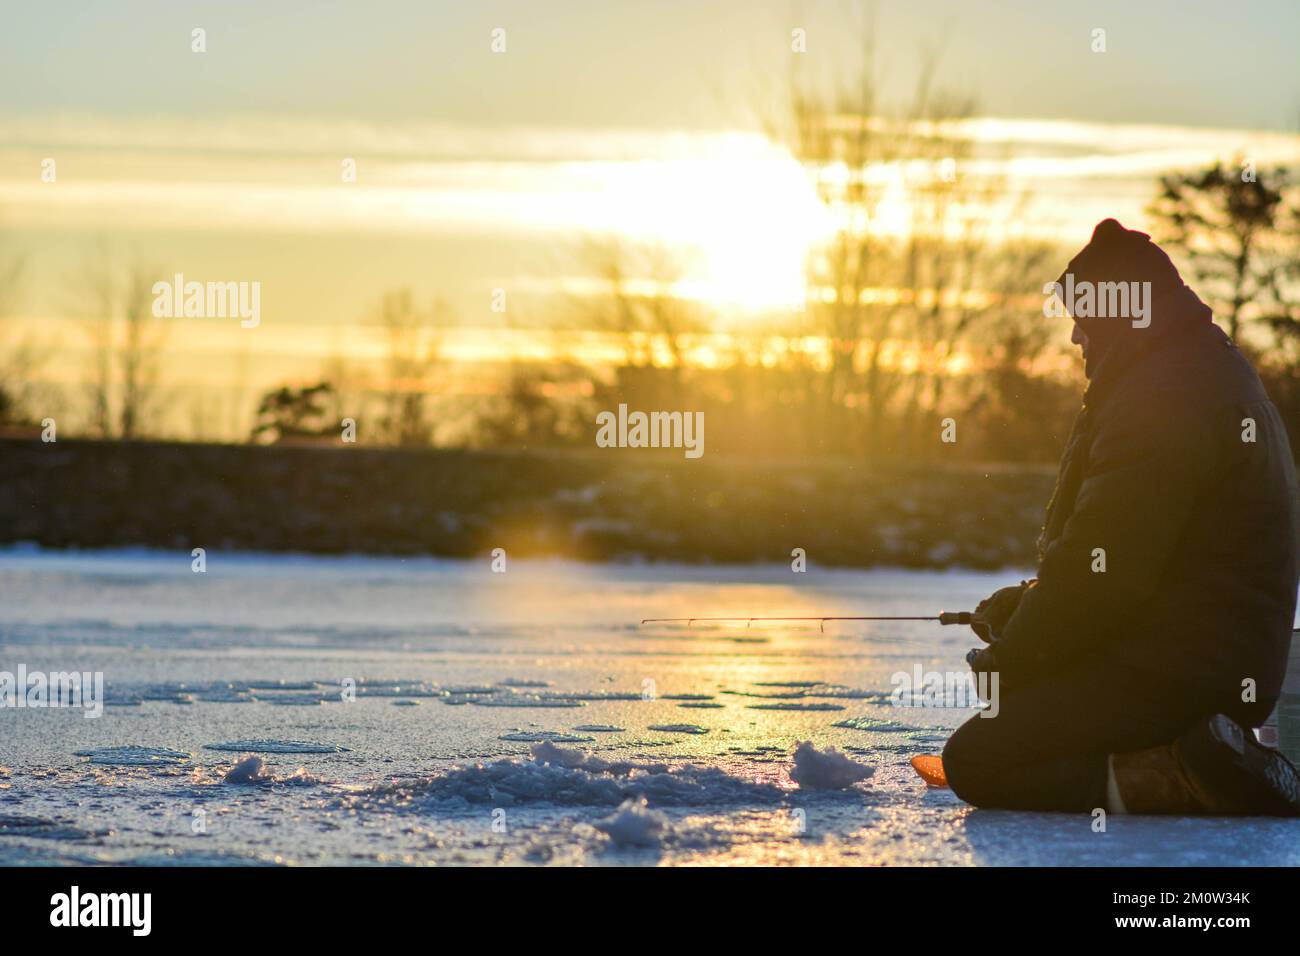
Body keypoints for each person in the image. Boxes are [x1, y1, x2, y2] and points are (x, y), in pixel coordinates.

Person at [942, 218, 1300, 815]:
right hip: (1210, 656)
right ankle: (1202, 752)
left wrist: (1014, 660)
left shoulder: (1160, 398)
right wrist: (1028, 608)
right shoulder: (1195, 372)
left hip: (1186, 671)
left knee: (982, 756)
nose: (1076, 337)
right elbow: (1130, 555)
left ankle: (1188, 772)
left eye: (1082, 318)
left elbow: (1104, 575)